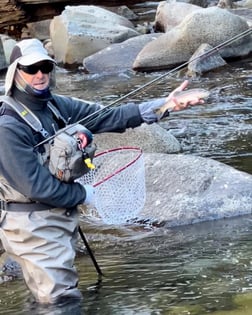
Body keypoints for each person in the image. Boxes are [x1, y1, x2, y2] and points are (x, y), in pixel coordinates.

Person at [0, 38, 204, 304]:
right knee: (61, 301)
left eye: (45, 67)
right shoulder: (8, 126)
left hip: (56, 215)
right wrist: (83, 194)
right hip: (32, 225)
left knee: (47, 297)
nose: (40, 74)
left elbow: (108, 116)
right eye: (31, 68)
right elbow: (37, 187)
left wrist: (164, 106)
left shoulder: (54, 105)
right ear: (16, 72)